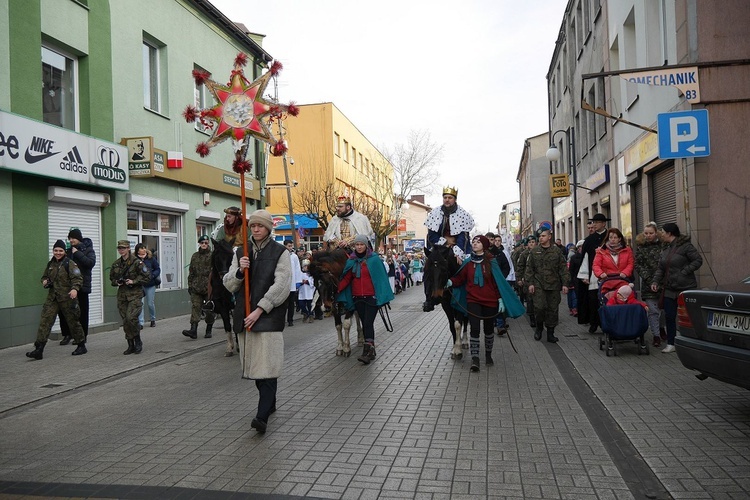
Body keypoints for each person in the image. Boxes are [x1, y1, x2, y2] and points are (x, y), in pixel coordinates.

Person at [223, 209, 291, 434]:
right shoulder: (241, 252)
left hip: (268, 318)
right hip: (245, 317)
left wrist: (261, 308)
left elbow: (281, 285)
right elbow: (229, 284)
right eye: (253, 226)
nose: (256, 229)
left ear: (269, 228)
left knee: (268, 367)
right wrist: (240, 272)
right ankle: (269, 403)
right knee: (255, 368)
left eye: (260, 226)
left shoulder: (280, 252)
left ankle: (261, 417)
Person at [447, 235, 523, 372]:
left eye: (478, 242)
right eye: (473, 242)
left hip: (490, 301)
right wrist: (451, 281)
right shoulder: (468, 262)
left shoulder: (491, 262)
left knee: (488, 329)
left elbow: (497, 282)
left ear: (484, 245)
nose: (475, 244)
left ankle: (488, 355)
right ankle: (475, 359)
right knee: (474, 329)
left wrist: (500, 299)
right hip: (473, 300)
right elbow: (460, 279)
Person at [336, 234, 394, 365]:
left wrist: (383, 296)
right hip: (357, 298)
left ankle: (367, 352)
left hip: (371, 297)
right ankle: (371, 350)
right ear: (354, 246)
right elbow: (346, 278)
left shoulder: (374, 259)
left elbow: (381, 279)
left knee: (368, 323)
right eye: (357, 244)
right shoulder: (351, 260)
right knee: (365, 323)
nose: (359, 247)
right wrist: (337, 290)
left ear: (366, 245)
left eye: (361, 244)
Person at [25, 240, 88, 360]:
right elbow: (44, 277)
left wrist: (75, 289)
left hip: (68, 298)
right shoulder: (50, 264)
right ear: (53, 251)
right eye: (56, 250)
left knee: (73, 322)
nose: (58, 253)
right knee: (45, 321)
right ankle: (39, 349)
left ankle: (81, 345)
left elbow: (78, 278)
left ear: (64, 252)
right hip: (53, 298)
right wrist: (44, 281)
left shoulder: (70, 263)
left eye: (60, 250)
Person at [650, 223, 702, 354]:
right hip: (669, 288)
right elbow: (661, 268)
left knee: (689, 317)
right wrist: (655, 281)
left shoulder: (686, 246)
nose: (661, 234)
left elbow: (698, 260)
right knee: (669, 316)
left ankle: (695, 342)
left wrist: (684, 272)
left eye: (662, 232)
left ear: (669, 233)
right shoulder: (666, 249)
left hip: (685, 287)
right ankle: (671, 343)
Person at [423, 186, 475, 311]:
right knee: (429, 269)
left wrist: (457, 252)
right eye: (445, 197)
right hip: (439, 248)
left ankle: (471, 297)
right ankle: (429, 299)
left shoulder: (462, 214)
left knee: (468, 267)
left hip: (459, 248)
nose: (447, 200)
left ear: (454, 199)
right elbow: (432, 236)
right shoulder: (435, 213)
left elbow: (463, 236)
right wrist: (446, 242)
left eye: (450, 198)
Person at [525, 228, 570, 343]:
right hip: (538, 284)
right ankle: (539, 328)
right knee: (539, 308)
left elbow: (563, 268)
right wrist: (530, 283)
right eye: (539, 236)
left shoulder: (556, 251)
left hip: (553, 285)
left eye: (543, 236)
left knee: (552, 309)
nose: (541, 238)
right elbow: (529, 269)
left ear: (549, 237)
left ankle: (550, 333)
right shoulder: (534, 251)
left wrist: (565, 283)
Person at [110, 240, 150, 355]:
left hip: (135, 295)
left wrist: (134, 281)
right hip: (122, 296)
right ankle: (130, 344)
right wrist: (116, 282)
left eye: (123, 248)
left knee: (131, 318)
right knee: (126, 321)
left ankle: (137, 340)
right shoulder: (116, 264)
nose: (121, 250)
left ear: (128, 248)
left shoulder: (137, 263)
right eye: (119, 248)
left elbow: (147, 277)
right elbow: (111, 278)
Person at [58, 228, 96, 346]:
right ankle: (67, 334)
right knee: (65, 311)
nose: (71, 240)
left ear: (78, 238)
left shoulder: (88, 250)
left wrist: (77, 253)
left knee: (82, 312)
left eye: (73, 238)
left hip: (82, 286)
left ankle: (82, 336)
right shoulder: (68, 251)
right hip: (68, 287)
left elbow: (90, 264)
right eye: (69, 238)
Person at [634, 222, 666, 347]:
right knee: (653, 311)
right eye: (646, 233)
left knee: (663, 310)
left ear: (656, 233)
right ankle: (656, 335)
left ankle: (662, 328)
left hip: (664, 283)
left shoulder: (663, 246)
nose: (648, 236)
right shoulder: (641, 247)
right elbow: (638, 264)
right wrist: (648, 277)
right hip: (648, 283)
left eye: (651, 233)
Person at [577, 213, 609, 333]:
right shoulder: (589, 240)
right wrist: (584, 275)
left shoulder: (610, 236)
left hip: (609, 275)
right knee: (593, 300)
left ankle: (606, 322)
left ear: (604, 223)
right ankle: (593, 322)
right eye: (593, 222)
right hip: (593, 275)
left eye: (597, 222)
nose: (594, 225)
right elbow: (585, 258)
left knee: (607, 299)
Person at [182, 235, 215, 340]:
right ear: (199, 244)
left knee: (209, 310)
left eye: (206, 243)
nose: (204, 245)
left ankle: (209, 329)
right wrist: (190, 285)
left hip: (208, 288)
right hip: (196, 287)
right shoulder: (195, 256)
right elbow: (191, 272)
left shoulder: (212, 256)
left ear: (208, 243)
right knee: (195, 307)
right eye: (202, 243)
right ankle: (193, 330)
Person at [592, 228, 634, 297]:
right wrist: (601, 273)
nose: (613, 239)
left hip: (623, 280)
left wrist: (625, 272)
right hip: (607, 281)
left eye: (615, 237)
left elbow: (630, 263)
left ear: (619, 239)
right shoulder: (601, 251)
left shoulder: (627, 250)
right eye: (611, 237)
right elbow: (596, 265)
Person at [136, 244, 160, 329]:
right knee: (140, 304)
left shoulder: (151, 258)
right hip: (139, 285)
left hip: (150, 284)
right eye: (142, 248)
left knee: (150, 303)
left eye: (144, 248)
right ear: (138, 250)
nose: (144, 249)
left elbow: (157, 269)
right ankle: (141, 323)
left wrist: (153, 275)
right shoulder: (135, 259)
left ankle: (152, 319)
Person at [284, 240, 303, 327]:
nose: (290, 248)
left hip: (292, 283)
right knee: (283, 303)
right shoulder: (281, 255)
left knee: (291, 303)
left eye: (291, 246)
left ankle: (290, 320)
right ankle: (281, 320)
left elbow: (297, 269)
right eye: (289, 246)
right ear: (285, 246)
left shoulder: (294, 256)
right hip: (283, 284)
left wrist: (298, 281)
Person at [567, 240, 585, 317]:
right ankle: (575, 309)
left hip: (584, 279)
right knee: (574, 296)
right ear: (578, 248)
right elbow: (571, 270)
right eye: (581, 247)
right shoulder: (574, 257)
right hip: (576, 279)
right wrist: (570, 281)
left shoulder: (586, 256)